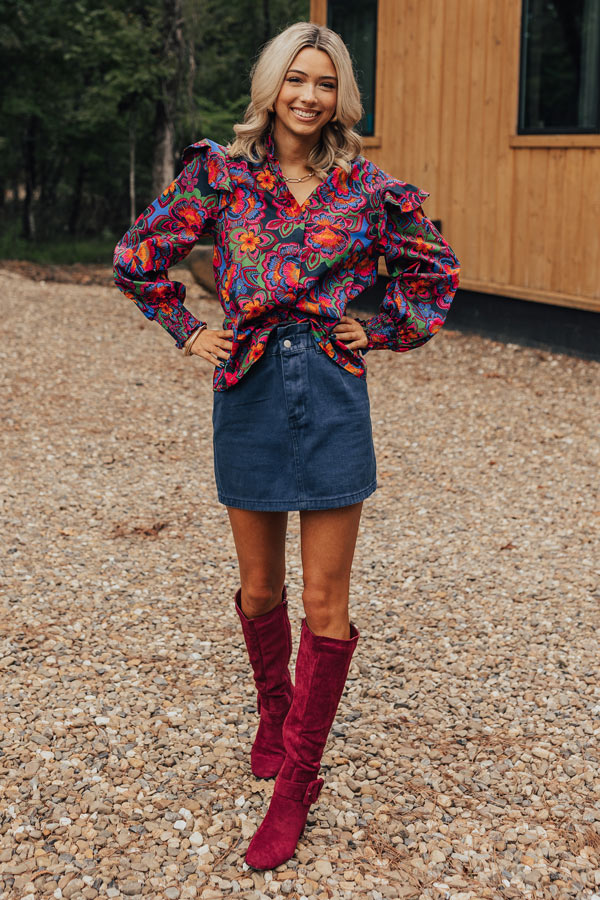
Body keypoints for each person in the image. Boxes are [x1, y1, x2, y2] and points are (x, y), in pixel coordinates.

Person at [113, 21, 460, 870]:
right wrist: (187, 331)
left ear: (342, 96)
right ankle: (276, 713)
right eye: (297, 79)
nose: (310, 96)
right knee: (261, 588)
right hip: (251, 388)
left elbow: (435, 272)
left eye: (326, 83)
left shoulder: (367, 188)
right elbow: (136, 257)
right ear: (272, 86)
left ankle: (296, 783)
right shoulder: (221, 177)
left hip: (334, 391)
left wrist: (379, 332)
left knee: (326, 604)